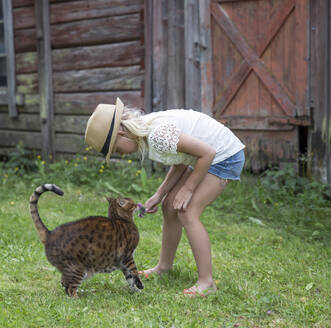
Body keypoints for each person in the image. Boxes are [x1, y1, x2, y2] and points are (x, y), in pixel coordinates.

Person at [84, 98, 245, 297]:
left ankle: (207, 281)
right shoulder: (147, 130)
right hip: (205, 157)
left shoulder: (157, 135)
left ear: (121, 133)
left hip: (224, 157)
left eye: (116, 149)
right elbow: (180, 161)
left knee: (187, 211)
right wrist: (159, 195)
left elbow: (207, 153)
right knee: (169, 206)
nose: (121, 154)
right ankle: (164, 266)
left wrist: (188, 188)